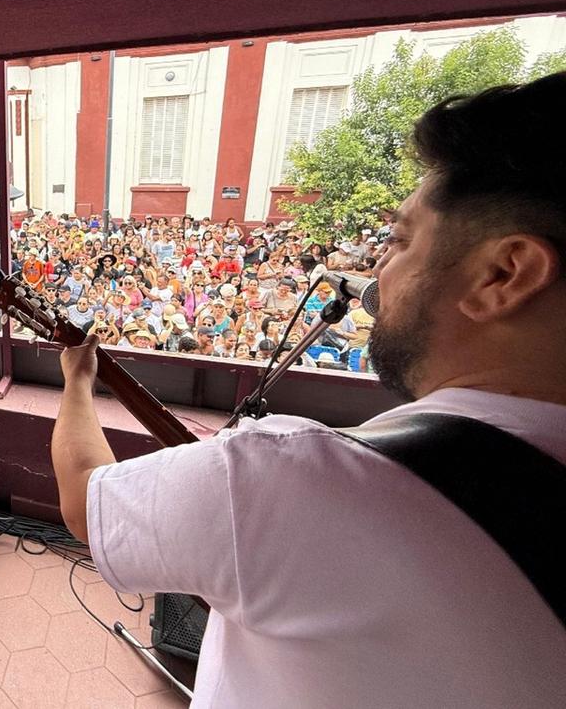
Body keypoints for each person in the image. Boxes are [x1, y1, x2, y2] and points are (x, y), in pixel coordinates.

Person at [50, 73, 566, 707]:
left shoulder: (289, 480)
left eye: (401, 239)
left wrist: (78, 381)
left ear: (505, 273)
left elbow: (83, 501)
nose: (379, 267)